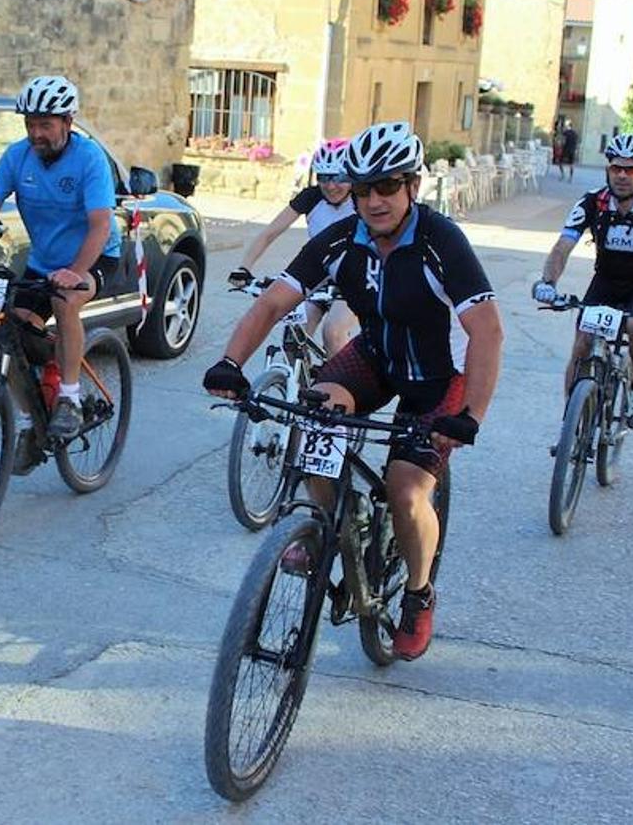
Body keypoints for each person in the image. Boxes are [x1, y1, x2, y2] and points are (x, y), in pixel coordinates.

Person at [204, 121, 504, 662]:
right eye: (363, 189)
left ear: (412, 185)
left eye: (386, 186)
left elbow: (488, 330)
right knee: (318, 416)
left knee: (408, 489)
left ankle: (417, 593)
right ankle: (326, 526)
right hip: (379, 356)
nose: (373, 200)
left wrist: (471, 416)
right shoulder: (344, 239)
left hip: (440, 377)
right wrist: (230, 363)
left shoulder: (441, 243)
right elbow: (275, 302)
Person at [0, 75, 120, 443]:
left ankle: (71, 399)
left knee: (65, 302)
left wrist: (75, 272)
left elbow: (100, 224)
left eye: (45, 124)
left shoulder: (89, 159)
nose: (36, 133)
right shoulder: (17, 156)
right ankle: (32, 422)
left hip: (94, 258)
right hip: (44, 262)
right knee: (11, 331)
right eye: (30, 124)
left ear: (67, 123)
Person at [531, 133, 633, 428]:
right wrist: (547, 283)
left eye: (631, 169)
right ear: (608, 170)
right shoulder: (592, 202)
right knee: (582, 342)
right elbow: (563, 247)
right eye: (616, 168)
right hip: (606, 280)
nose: (622, 176)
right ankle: (571, 423)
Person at [227, 138, 360, 354]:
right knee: (293, 338)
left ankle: (344, 384)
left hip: (353, 279)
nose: (330, 185)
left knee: (333, 333)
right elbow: (269, 233)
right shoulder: (311, 197)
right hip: (318, 277)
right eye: (323, 177)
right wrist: (244, 267)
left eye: (339, 177)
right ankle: (298, 384)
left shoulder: (361, 200)